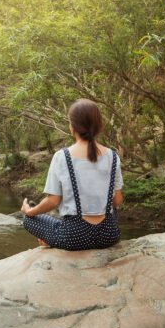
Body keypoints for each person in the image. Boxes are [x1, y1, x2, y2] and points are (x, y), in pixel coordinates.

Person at [20, 99, 124, 250]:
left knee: (28, 220)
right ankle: (54, 238)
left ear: (73, 126)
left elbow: (53, 201)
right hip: (108, 235)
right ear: (98, 125)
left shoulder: (62, 156)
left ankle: (52, 240)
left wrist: (30, 211)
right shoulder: (113, 156)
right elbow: (117, 200)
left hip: (74, 238)